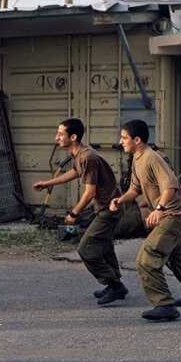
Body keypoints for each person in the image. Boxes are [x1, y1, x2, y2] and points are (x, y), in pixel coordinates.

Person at [110, 120, 181, 321]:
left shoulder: (152, 158)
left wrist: (159, 209)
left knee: (147, 257)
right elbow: (135, 189)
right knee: (174, 257)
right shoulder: (138, 159)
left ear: (137, 140)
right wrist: (120, 200)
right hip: (172, 216)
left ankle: (164, 305)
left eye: (124, 137)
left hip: (174, 216)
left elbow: (170, 186)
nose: (121, 142)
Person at [32, 118, 128, 305]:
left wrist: (74, 213)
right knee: (105, 246)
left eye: (61, 134)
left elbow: (90, 192)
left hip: (110, 208)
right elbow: (75, 172)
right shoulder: (81, 154)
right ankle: (115, 283)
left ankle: (115, 285)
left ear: (73, 136)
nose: (56, 137)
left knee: (86, 249)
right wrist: (48, 183)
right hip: (107, 207)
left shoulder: (87, 157)